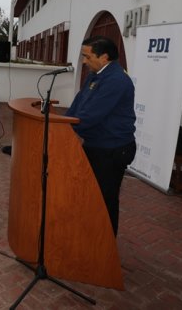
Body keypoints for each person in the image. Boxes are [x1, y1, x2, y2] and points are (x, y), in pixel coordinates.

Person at [65, 36, 136, 236]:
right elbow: (80, 102)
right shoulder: (96, 74)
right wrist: (63, 124)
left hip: (112, 149)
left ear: (104, 57)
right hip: (96, 145)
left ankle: (105, 245)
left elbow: (92, 115)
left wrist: (68, 127)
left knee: (105, 199)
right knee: (89, 195)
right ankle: (90, 237)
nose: (84, 61)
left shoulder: (116, 80)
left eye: (87, 57)